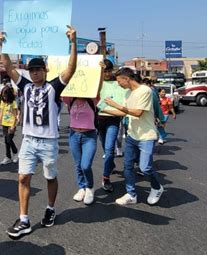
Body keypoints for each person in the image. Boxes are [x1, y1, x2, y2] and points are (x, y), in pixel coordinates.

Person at [0, 25, 77, 238]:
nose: (35, 73)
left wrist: (73, 42)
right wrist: (3, 46)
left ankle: (50, 208)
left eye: (39, 69)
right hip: (28, 141)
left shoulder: (54, 87)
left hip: (49, 142)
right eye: (32, 70)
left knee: (50, 177)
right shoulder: (25, 86)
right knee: (23, 177)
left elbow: (71, 69)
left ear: (45, 70)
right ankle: (24, 219)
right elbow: (7, 67)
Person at [102, 67, 164, 206]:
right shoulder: (127, 93)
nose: (118, 84)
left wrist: (115, 105)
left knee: (145, 168)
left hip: (147, 135)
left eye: (119, 81)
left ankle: (157, 187)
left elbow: (137, 112)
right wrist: (104, 110)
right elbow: (124, 113)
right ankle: (131, 194)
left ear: (126, 78)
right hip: (131, 135)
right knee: (128, 166)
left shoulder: (145, 91)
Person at [64, 61, 104, 205]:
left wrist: (100, 72)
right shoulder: (70, 98)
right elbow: (61, 85)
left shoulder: (92, 98)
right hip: (74, 135)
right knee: (77, 165)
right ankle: (81, 187)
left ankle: (90, 188)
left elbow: (98, 87)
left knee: (85, 165)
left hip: (89, 136)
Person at [96, 60, 126, 193]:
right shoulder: (96, 81)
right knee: (105, 147)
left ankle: (106, 178)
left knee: (109, 150)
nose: (107, 73)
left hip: (113, 119)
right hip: (98, 120)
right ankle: (111, 164)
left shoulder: (118, 82)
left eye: (109, 71)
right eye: (105, 71)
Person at [0, 85, 19, 165]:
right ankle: (8, 157)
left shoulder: (13, 103)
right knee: (6, 141)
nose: (4, 97)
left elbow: (15, 115)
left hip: (11, 125)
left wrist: (13, 125)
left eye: (5, 96)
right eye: (3, 96)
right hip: (4, 124)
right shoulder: (3, 103)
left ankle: (15, 152)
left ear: (9, 95)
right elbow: (0, 114)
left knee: (9, 140)